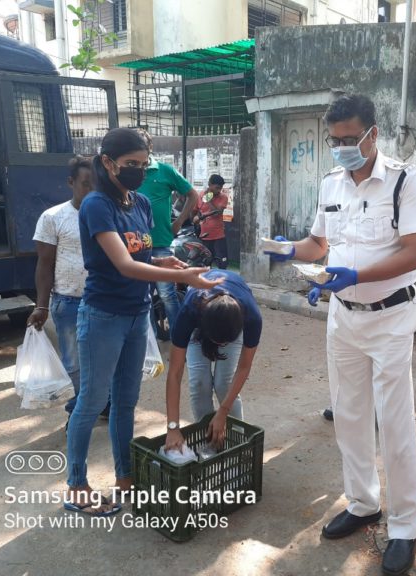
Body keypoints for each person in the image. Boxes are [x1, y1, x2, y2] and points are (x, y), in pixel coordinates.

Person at [265, 94, 416, 576]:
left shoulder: (404, 181)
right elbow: (319, 243)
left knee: (394, 422)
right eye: (333, 140)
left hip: (390, 317)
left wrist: (356, 277)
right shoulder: (331, 182)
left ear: (372, 134)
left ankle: (405, 524)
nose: (340, 148)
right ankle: (363, 503)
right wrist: (285, 248)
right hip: (343, 315)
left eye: (348, 139)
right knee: (350, 416)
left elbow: (415, 251)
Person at [64, 128, 220, 516]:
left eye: (143, 164)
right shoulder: (97, 205)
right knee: (93, 401)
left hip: (137, 315)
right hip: (103, 315)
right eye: (130, 164)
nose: (138, 170)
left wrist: (164, 262)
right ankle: (77, 485)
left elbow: (141, 257)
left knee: (127, 402)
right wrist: (181, 277)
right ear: (107, 163)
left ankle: (124, 478)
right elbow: (123, 265)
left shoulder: (141, 204)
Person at [28, 156, 110, 427]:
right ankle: (78, 412)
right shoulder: (53, 217)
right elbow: (44, 263)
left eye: (96, 185)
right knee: (74, 364)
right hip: (68, 301)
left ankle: (105, 405)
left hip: (102, 300)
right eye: (86, 185)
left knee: (105, 358)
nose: (91, 191)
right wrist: (41, 306)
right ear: (71, 183)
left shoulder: (106, 213)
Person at [163, 269, 262, 451]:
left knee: (224, 383)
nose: (222, 344)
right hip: (201, 323)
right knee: (199, 383)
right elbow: (175, 374)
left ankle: (236, 443)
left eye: (226, 342)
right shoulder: (188, 313)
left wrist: (223, 412)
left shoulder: (251, 317)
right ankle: (208, 443)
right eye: (219, 341)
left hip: (230, 318)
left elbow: (244, 367)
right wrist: (173, 427)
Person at [136, 129, 199, 337]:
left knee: (167, 295)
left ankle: (180, 337)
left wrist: (179, 221)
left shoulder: (164, 171)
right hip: (135, 246)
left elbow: (192, 195)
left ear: (150, 148)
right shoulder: (127, 175)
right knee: (142, 298)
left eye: (142, 148)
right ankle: (150, 342)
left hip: (161, 243)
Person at [193, 174, 229, 269]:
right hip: (204, 235)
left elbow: (217, 213)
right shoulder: (200, 195)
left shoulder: (223, 197)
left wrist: (208, 199)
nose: (219, 190)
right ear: (209, 184)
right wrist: (196, 218)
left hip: (218, 235)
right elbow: (196, 211)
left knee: (222, 262)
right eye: (217, 187)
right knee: (206, 262)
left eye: (220, 188)